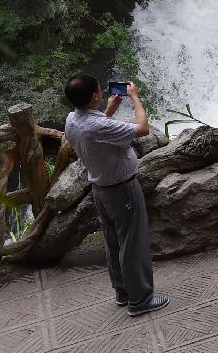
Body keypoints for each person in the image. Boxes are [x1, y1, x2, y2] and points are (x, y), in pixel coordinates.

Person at [63, 75, 169, 316]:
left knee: (114, 243)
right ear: (94, 96)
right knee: (133, 244)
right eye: (99, 90)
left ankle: (123, 292)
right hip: (122, 189)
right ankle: (140, 300)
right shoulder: (99, 126)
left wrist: (108, 111)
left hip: (101, 191)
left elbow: (95, 133)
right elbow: (142, 129)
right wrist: (135, 97)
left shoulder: (72, 120)